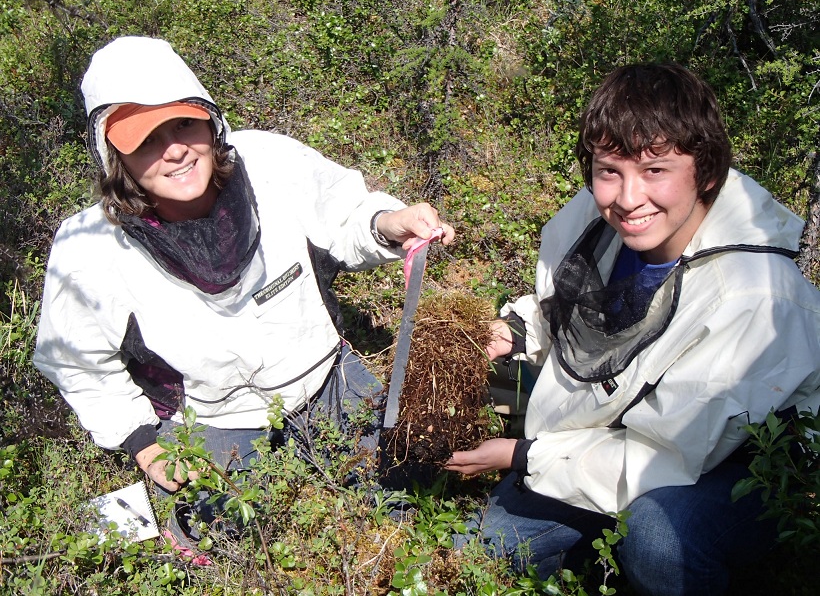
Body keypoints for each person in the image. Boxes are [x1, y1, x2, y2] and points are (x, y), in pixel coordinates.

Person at [33, 36, 453, 533]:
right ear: (114, 158)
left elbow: (343, 213)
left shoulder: (270, 161)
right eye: (146, 140)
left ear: (211, 121)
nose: (175, 151)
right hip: (214, 417)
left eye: (184, 123)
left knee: (413, 492)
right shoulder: (90, 248)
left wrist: (387, 222)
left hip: (324, 377)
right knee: (226, 542)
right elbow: (75, 361)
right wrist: (142, 440)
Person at [445, 63, 820, 595]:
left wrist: (521, 456)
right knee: (478, 553)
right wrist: (513, 331)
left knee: (659, 538)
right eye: (608, 170)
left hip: (733, 464)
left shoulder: (753, 296)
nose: (627, 197)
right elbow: (567, 303)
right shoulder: (596, 220)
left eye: (656, 171)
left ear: (707, 171)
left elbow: (669, 454)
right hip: (618, 431)